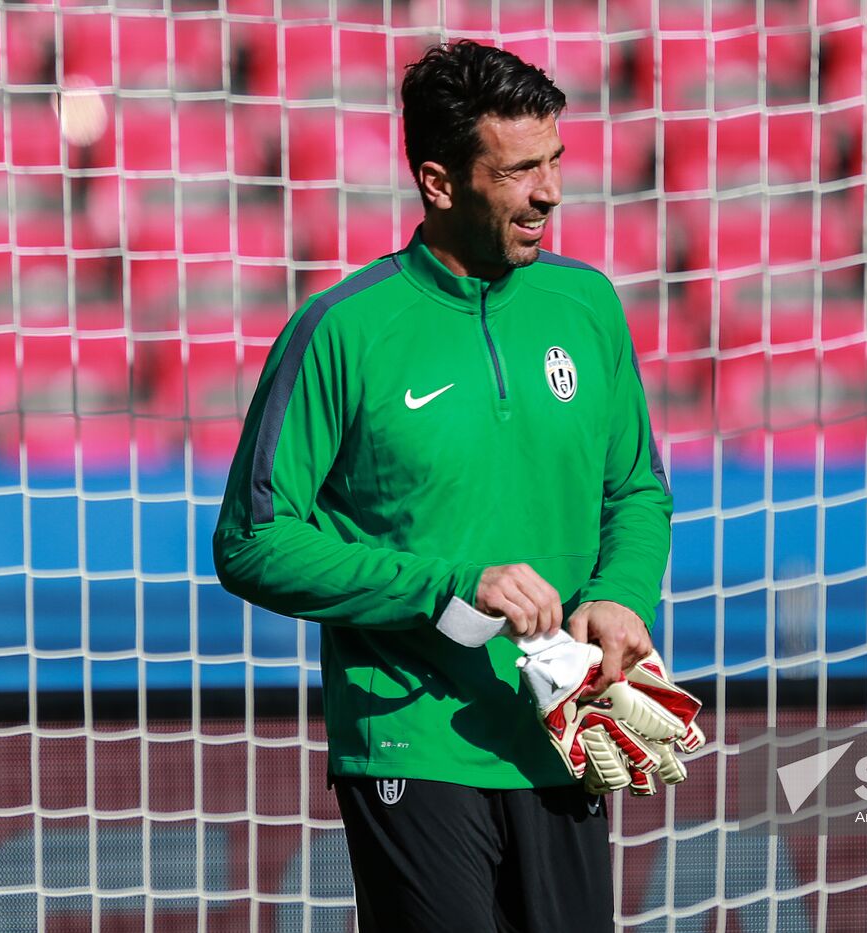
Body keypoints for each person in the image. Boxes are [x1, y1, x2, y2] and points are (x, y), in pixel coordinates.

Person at [212, 40, 674, 932]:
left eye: (555, 162)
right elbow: (252, 540)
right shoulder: (342, 330)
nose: (550, 193)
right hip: (411, 742)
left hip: (561, 736)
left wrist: (620, 595)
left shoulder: (588, 304)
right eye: (519, 172)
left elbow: (637, 490)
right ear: (438, 181)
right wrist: (451, 584)